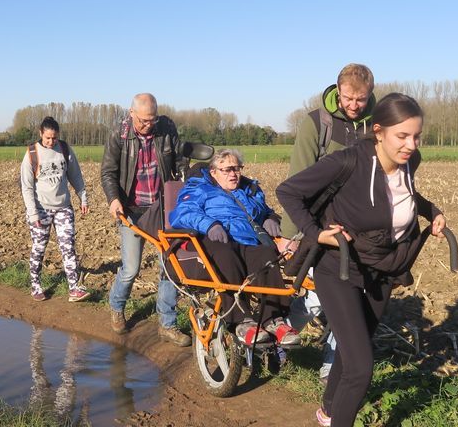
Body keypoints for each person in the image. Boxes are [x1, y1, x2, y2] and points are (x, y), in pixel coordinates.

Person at [276, 93, 446, 427]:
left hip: (384, 268)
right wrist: (315, 232)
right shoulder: (347, 161)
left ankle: (328, 410)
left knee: (355, 349)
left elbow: (403, 195)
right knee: (361, 368)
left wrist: (431, 211)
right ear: (379, 131)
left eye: (416, 136)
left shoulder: (410, 161)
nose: (411, 144)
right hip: (339, 267)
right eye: (402, 136)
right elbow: (289, 191)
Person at [281, 63, 376, 384]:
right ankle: (284, 338)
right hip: (319, 226)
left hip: (361, 227)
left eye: (360, 100)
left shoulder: (377, 125)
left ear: (369, 95)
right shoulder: (316, 124)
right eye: (348, 98)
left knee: (354, 295)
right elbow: (295, 181)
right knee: (314, 296)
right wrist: (289, 235)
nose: (353, 105)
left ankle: (333, 363)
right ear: (338, 91)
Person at [169, 149, 300, 347]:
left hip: (247, 240)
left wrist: (270, 219)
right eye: (227, 169)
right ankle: (241, 321)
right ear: (213, 172)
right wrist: (210, 225)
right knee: (225, 253)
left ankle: (274, 320)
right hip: (214, 239)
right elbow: (183, 213)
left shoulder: (248, 190)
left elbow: (264, 211)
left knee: (266, 254)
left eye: (237, 169)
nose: (234, 174)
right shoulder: (199, 188)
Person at [100, 93, 190, 347]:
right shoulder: (120, 134)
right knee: (131, 269)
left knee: (169, 267)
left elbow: (181, 161)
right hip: (131, 210)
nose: (148, 125)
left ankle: (167, 324)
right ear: (132, 114)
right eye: (143, 121)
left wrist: (183, 183)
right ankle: (117, 307)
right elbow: (108, 171)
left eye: (152, 120)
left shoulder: (167, 128)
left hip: (162, 208)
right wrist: (113, 199)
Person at [20, 116, 90, 302]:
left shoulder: (65, 150)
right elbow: (26, 187)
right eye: (47, 138)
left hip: (63, 208)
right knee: (39, 248)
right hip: (41, 209)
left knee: (68, 247)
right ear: (41, 134)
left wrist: (83, 197)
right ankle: (35, 285)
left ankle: (74, 288)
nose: (51, 142)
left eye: (54, 138)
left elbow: (76, 176)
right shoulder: (32, 154)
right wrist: (33, 213)